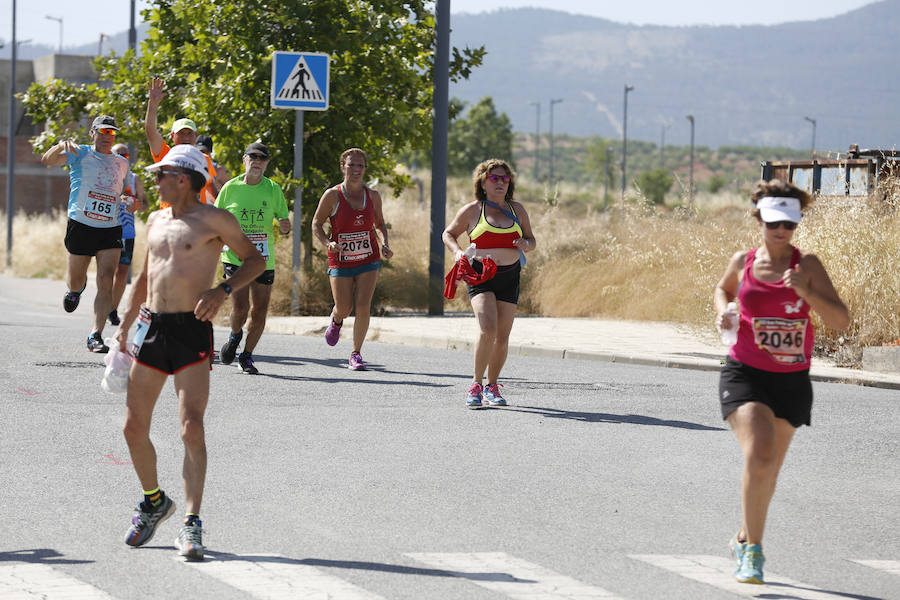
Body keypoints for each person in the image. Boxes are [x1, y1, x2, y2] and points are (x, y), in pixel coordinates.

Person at [113, 144, 265, 561]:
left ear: (182, 178)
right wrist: (124, 329)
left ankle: (192, 523)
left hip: (191, 330)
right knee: (132, 426)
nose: (155, 180)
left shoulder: (215, 219)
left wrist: (223, 290)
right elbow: (145, 275)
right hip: (153, 328)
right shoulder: (156, 218)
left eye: (161, 174)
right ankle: (153, 502)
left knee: (191, 427)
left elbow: (255, 259)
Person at [714, 179, 849, 584]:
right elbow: (722, 289)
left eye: (789, 224)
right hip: (745, 372)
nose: (781, 230)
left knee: (768, 470)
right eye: (773, 221)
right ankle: (753, 552)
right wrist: (725, 310)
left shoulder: (808, 266)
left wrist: (807, 294)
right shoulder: (744, 262)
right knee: (760, 454)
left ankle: (743, 536)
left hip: (791, 379)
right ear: (759, 217)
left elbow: (840, 321)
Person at [442, 159, 536, 409]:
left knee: (502, 337)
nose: (500, 183)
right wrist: (457, 252)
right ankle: (475, 384)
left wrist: (527, 245)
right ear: (483, 182)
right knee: (488, 329)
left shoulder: (517, 210)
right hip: (480, 275)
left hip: (510, 276)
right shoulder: (473, 210)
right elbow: (448, 233)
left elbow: (531, 239)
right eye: (494, 178)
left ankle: (491, 386)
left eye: (505, 179)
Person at [41, 115, 131, 353]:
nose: (106, 136)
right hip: (81, 224)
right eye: (102, 131)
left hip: (110, 227)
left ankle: (95, 335)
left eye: (111, 133)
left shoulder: (121, 162)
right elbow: (47, 161)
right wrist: (61, 145)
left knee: (106, 279)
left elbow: (120, 191)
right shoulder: (79, 153)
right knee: (76, 279)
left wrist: (127, 200)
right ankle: (75, 290)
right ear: (93, 133)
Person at [311, 148, 392, 370]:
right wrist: (328, 243)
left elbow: (380, 224)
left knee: (363, 305)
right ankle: (337, 320)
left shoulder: (373, 196)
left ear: (365, 169)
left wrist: (385, 243)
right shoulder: (332, 195)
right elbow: (316, 224)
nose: (356, 170)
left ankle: (356, 353)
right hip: (340, 258)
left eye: (360, 166)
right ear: (342, 167)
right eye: (351, 165)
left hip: (368, 257)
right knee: (344, 307)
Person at [217, 142, 291, 375]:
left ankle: (246, 355)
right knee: (240, 308)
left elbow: (283, 221)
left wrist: (286, 225)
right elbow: (216, 219)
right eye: (253, 156)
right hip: (235, 257)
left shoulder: (273, 189)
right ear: (244, 159)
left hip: (263, 259)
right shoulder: (230, 188)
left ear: (267, 163)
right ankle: (234, 335)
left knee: (259, 311)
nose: (257, 161)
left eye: (262, 158)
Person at [144, 77, 218, 206]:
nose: (186, 137)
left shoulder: (204, 159)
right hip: (170, 218)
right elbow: (151, 133)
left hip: (195, 220)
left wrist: (219, 210)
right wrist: (153, 104)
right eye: (181, 133)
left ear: (196, 136)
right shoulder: (166, 155)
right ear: (172, 136)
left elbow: (210, 186)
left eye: (189, 133)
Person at [108, 143, 147, 326]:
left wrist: (136, 204)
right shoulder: (106, 174)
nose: (123, 158)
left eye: (126, 155)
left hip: (127, 231)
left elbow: (144, 203)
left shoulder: (134, 178)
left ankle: (113, 310)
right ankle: (104, 303)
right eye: (118, 155)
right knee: (107, 270)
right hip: (107, 228)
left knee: (122, 272)